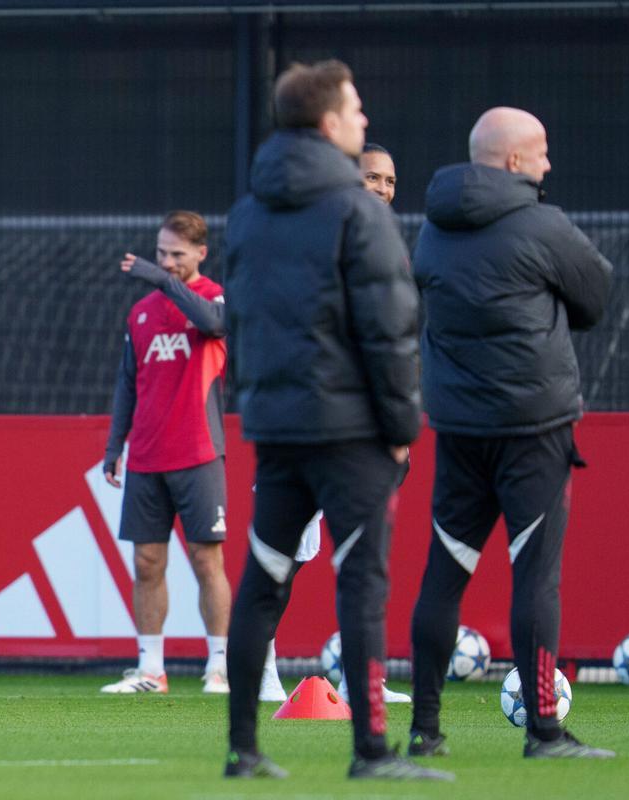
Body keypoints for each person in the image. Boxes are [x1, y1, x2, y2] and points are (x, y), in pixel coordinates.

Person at [222, 60, 450, 782]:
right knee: (361, 586)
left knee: (263, 580)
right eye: (355, 109)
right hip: (351, 432)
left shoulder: (249, 212)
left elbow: (240, 320)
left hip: (277, 428)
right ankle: (371, 752)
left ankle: (243, 750)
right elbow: (391, 329)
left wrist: (259, 405)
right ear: (328, 124)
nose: (363, 120)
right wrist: (401, 427)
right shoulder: (360, 213)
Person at [406, 107, 614, 760]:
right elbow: (595, 298)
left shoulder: (432, 229)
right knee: (536, 579)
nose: (549, 163)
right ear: (515, 160)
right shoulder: (542, 224)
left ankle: (424, 731)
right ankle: (544, 732)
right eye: (542, 151)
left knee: (444, 576)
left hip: (459, 430)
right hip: (535, 430)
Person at [100, 211, 233, 695]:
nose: (167, 262)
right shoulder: (141, 313)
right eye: (161, 254)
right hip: (147, 456)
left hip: (199, 451)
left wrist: (162, 279)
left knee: (205, 560)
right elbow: (128, 384)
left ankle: (219, 666)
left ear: (201, 253)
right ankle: (151, 669)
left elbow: (215, 325)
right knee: (146, 562)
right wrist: (115, 446)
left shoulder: (214, 297)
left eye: (177, 254)